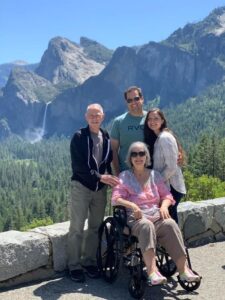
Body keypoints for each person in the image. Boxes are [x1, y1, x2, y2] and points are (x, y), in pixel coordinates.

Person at [111, 142, 200, 285]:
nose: (138, 157)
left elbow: (167, 196)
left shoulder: (155, 175)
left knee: (170, 224)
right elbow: (116, 199)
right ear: (130, 158)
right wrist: (132, 205)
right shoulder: (124, 176)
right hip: (137, 219)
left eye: (142, 153)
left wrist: (164, 206)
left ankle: (183, 271)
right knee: (147, 226)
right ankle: (152, 272)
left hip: (156, 216)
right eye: (134, 154)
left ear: (146, 157)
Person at [67, 103, 120, 283]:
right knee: (76, 227)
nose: (94, 117)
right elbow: (79, 167)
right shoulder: (79, 137)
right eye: (91, 115)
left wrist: (111, 179)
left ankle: (89, 262)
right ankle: (74, 265)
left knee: (95, 227)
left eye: (97, 114)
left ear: (103, 116)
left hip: (99, 190)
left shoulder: (105, 136)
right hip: (81, 187)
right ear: (86, 117)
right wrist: (100, 177)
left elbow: (105, 163)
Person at [144, 108, 186, 224]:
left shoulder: (164, 138)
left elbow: (171, 167)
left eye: (156, 119)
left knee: (169, 219)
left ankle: (176, 241)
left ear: (162, 120)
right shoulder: (159, 137)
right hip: (168, 185)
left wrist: (156, 182)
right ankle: (176, 241)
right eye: (150, 119)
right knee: (170, 217)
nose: (152, 121)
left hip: (171, 186)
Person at [110, 86, 147, 175]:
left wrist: (178, 150)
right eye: (129, 100)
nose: (133, 102)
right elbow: (113, 150)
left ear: (142, 99)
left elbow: (165, 133)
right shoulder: (118, 122)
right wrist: (118, 174)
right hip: (126, 173)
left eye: (136, 98)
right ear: (126, 102)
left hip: (149, 172)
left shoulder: (151, 119)